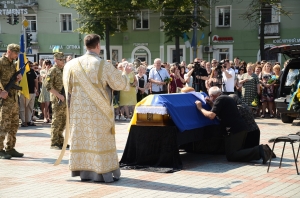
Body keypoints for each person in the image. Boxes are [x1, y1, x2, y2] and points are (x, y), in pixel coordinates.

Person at [62, 34, 130, 183]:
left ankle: (84, 173)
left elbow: (68, 89)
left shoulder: (72, 64)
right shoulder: (102, 65)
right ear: (98, 45)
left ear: (86, 46)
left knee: (83, 140)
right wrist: (126, 73)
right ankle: (101, 173)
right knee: (99, 141)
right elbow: (120, 84)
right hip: (99, 112)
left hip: (78, 112)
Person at [195, 86, 272, 164]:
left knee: (232, 155)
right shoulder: (226, 98)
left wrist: (200, 108)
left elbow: (211, 116)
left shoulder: (220, 99)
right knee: (232, 153)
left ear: (211, 96)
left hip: (235, 130)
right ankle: (260, 151)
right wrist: (212, 104)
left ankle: (259, 150)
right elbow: (222, 112)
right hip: (240, 129)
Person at [0, 44, 24, 159]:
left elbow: (13, 82)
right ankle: (0, 149)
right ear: (9, 51)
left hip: (13, 99)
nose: (17, 55)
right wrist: (0, 92)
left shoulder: (13, 65)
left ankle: (10, 147)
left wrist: (18, 78)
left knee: (14, 124)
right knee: (3, 125)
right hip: (4, 100)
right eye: (15, 53)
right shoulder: (1, 63)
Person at [45, 52, 66, 150]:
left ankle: (60, 140)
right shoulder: (53, 70)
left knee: (63, 121)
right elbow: (48, 86)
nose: (63, 61)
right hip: (57, 99)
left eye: (63, 59)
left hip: (65, 99)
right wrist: (59, 95)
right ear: (56, 60)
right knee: (56, 121)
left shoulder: (64, 70)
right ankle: (54, 142)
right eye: (61, 60)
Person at [19, 61, 38, 127]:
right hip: (24, 92)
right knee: (23, 107)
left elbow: (36, 80)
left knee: (30, 107)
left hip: (31, 92)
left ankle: (28, 120)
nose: (31, 66)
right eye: (30, 65)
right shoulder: (21, 71)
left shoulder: (32, 72)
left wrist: (36, 89)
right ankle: (23, 121)